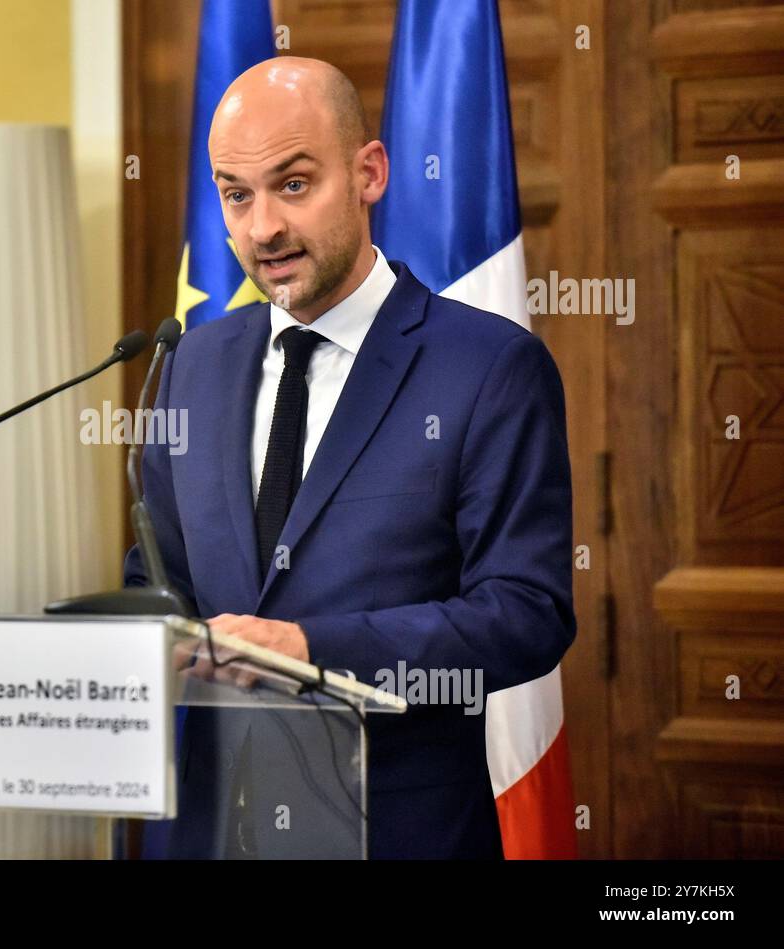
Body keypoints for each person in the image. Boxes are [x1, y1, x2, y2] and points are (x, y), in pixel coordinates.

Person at [124, 57, 575, 859]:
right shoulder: (192, 363)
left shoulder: (486, 367)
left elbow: (525, 615)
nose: (261, 227)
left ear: (369, 173)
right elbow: (159, 580)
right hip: (210, 829)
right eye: (236, 194)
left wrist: (313, 648)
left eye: (293, 185)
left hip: (398, 833)